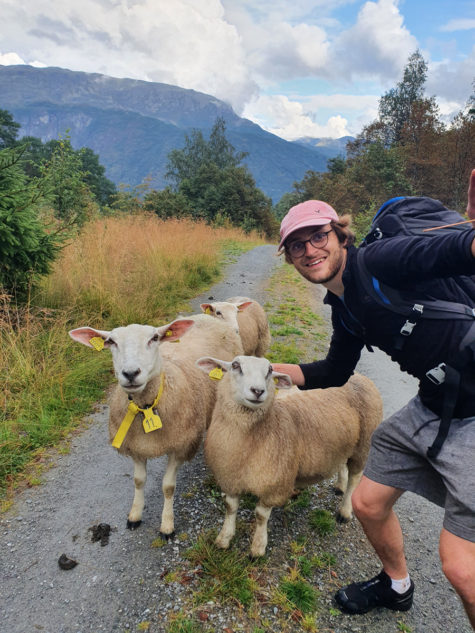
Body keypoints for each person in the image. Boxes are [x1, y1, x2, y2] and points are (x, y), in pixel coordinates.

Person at [272, 169, 475, 628]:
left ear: (340, 234)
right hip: (435, 401)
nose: (310, 251)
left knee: (462, 567)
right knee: (366, 502)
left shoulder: (380, 260)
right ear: (289, 259)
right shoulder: (343, 309)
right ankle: (396, 585)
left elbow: (438, 250)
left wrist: (470, 239)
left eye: (318, 236)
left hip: (474, 412)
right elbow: (334, 372)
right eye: (297, 246)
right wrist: (264, 369)